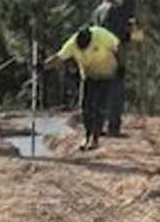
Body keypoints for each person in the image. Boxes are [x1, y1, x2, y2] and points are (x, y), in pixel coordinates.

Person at [52, 24, 121, 152]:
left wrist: (121, 66)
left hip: (107, 74)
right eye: (80, 48)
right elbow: (59, 58)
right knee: (85, 107)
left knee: (100, 108)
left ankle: (95, 138)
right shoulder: (72, 43)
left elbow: (118, 47)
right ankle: (87, 135)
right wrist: (43, 66)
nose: (83, 51)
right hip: (88, 76)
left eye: (86, 47)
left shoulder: (101, 35)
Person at [93, 0, 134, 136]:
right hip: (112, 57)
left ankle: (97, 126)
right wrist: (132, 30)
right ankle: (113, 127)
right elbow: (119, 36)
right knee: (115, 93)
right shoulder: (113, 11)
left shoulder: (97, 11)